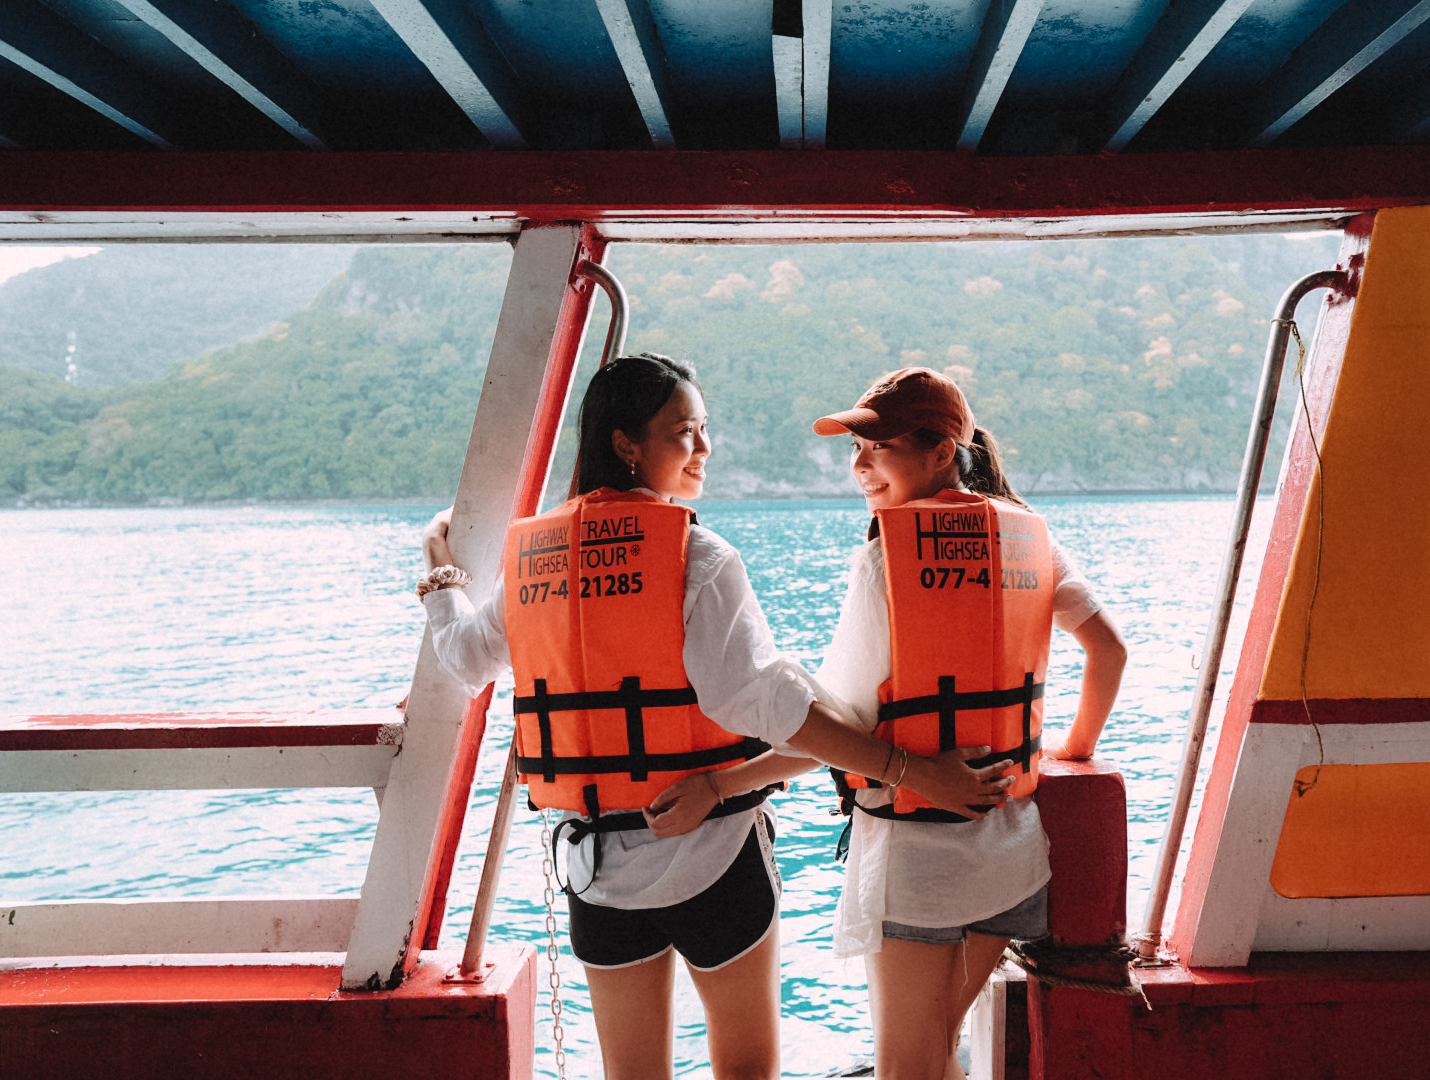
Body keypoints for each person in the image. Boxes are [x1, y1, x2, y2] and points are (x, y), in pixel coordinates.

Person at [416, 353, 1009, 1080]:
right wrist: (912, 771)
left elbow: (464, 657)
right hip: (717, 861)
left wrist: (440, 572)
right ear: (628, 443)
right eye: (685, 432)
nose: (703, 449)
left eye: (704, 431)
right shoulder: (700, 557)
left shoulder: (536, 559)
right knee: (748, 1070)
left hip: (600, 869)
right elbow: (769, 705)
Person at [662, 366, 1127, 1080]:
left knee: (910, 1066)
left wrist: (724, 784)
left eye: (876, 448)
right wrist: (1072, 750)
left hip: (918, 867)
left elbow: (832, 729)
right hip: (1011, 858)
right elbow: (1108, 650)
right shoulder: (1029, 540)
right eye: (855, 450)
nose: (860, 465)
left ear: (941, 450)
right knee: (938, 1052)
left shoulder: (887, 566)